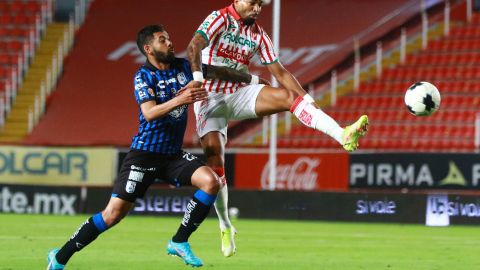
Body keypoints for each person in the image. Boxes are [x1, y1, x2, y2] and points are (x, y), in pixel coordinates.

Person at [46, 24, 264, 269]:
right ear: (149, 49)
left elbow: (219, 72)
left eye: (169, 38)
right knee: (112, 215)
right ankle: (60, 257)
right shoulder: (144, 76)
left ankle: (179, 241)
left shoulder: (184, 67)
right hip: (144, 156)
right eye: (163, 40)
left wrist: (254, 80)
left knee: (211, 181)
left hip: (172, 156)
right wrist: (181, 99)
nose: (170, 43)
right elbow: (149, 113)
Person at [186, 0, 369, 257]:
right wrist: (196, 80)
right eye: (253, 3)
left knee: (287, 97)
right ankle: (225, 225)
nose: (258, 8)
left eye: (261, 4)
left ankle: (342, 134)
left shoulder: (259, 34)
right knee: (216, 168)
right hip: (209, 100)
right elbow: (193, 46)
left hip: (240, 94)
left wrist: (306, 100)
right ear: (237, 1)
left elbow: (280, 72)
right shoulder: (219, 18)